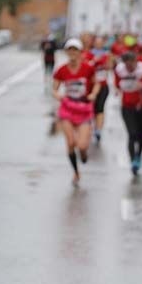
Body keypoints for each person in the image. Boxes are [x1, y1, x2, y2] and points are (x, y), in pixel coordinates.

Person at [52, 38, 100, 186]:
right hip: (67, 109)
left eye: (75, 50)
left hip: (84, 109)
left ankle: (83, 154)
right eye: (70, 50)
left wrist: (93, 94)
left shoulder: (88, 68)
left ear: (80, 52)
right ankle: (76, 172)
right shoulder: (62, 70)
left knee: (82, 145)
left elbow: (97, 83)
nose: (72, 53)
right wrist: (58, 95)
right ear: (66, 52)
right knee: (71, 142)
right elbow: (54, 88)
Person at [114, 51, 142, 175]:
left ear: (136, 61)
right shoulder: (120, 70)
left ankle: (139, 156)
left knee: (140, 135)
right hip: (127, 106)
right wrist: (121, 86)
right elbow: (117, 82)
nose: (129, 68)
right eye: (127, 66)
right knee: (132, 134)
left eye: (131, 65)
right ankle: (133, 160)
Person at [90, 35, 113, 143]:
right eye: (97, 42)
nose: (99, 45)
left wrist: (107, 62)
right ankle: (92, 126)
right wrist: (94, 61)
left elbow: (110, 67)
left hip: (103, 85)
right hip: (91, 86)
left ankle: (98, 130)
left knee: (100, 108)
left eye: (101, 43)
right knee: (92, 109)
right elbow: (86, 66)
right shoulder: (89, 54)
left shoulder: (106, 54)